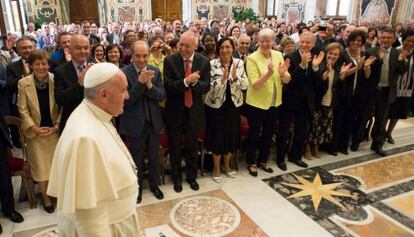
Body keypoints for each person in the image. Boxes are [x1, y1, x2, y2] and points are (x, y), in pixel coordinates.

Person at [47, 62, 140, 236]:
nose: (127, 96)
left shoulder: (96, 114)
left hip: (119, 221)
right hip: (110, 228)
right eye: (123, 90)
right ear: (103, 95)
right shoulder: (84, 139)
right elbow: (88, 216)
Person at [164, 31, 211, 192]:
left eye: (187, 46)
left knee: (192, 147)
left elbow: (206, 87)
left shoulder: (203, 62)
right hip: (175, 112)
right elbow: (168, 86)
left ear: (195, 47)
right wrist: (185, 81)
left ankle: (192, 177)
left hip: (194, 111)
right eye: (181, 44)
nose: (182, 48)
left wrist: (194, 82)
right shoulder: (170, 60)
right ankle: (176, 178)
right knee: (175, 147)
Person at [119, 41, 166, 203]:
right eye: (138, 56)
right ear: (131, 56)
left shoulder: (155, 71)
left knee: (154, 157)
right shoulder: (123, 73)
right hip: (134, 122)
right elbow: (126, 101)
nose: (141, 59)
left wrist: (150, 85)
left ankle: (154, 185)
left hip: (153, 121)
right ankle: (136, 188)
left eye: (145, 56)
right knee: (136, 159)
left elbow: (161, 95)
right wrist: (140, 83)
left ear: (149, 55)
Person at [17, 50, 61, 213]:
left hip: (54, 131)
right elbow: (22, 109)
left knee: (58, 166)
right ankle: (46, 197)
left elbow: (62, 106)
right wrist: (34, 128)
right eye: (37, 64)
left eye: (44, 63)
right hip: (35, 134)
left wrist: (56, 126)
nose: (41, 67)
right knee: (41, 169)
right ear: (31, 65)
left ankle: (58, 193)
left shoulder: (55, 79)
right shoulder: (23, 83)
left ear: (48, 64)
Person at [245, 28, 291, 174]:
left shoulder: (278, 55)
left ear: (273, 41)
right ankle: (251, 162)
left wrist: (283, 74)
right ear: (258, 41)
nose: (265, 44)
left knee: (268, 133)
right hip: (256, 103)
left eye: (268, 41)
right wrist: (270, 73)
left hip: (274, 102)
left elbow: (287, 79)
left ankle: (263, 161)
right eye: (262, 41)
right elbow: (254, 83)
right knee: (254, 134)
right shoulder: (252, 58)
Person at [205, 37, 248, 182]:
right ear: (218, 49)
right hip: (216, 106)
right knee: (217, 137)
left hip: (234, 105)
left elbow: (245, 85)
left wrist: (235, 78)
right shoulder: (212, 64)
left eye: (228, 47)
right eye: (222, 47)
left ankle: (227, 165)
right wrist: (222, 80)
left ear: (233, 48)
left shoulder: (239, 63)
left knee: (231, 136)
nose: (225, 50)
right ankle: (216, 168)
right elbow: (208, 88)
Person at [277, 31, 319, 171]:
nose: (304, 45)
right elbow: (290, 82)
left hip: (306, 101)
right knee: (284, 131)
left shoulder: (315, 57)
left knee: (301, 131)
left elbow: (315, 82)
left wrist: (315, 67)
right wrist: (301, 65)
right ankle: (280, 158)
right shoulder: (289, 57)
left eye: (308, 42)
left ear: (313, 44)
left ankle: (295, 156)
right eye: (302, 42)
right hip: (289, 100)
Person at [364, 27, 409, 156]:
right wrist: (380, 59)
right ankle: (357, 140)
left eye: (389, 38)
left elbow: (401, 72)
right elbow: (367, 73)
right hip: (372, 90)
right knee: (364, 115)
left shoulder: (396, 53)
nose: (386, 40)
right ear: (379, 38)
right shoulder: (371, 51)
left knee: (381, 119)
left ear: (394, 39)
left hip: (386, 91)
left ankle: (377, 144)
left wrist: (401, 61)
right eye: (383, 37)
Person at [54, 35, 91, 134]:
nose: (83, 51)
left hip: (94, 121)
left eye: (86, 48)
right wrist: (79, 84)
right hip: (72, 122)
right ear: (69, 50)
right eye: (78, 48)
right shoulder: (60, 71)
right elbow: (60, 99)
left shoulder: (97, 66)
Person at [386, 30, 414, 144]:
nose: (410, 43)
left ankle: (389, 133)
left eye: (413, 41)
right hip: (393, 86)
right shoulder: (395, 51)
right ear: (403, 40)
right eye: (408, 40)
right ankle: (381, 132)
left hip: (407, 87)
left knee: (398, 112)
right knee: (387, 111)